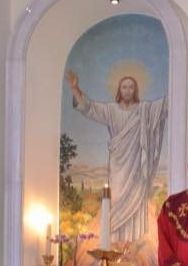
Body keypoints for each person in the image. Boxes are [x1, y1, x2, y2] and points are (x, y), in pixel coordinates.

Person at [63, 70, 167, 244]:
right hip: (118, 163)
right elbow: (89, 108)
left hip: (136, 165)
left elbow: (165, 106)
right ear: (120, 90)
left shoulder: (145, 110)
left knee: (136, 197)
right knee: (117, 199)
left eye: (131, 87)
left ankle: (135, 242)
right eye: (124, 87)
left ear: (135, 90)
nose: (127, 90)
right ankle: (116, 242)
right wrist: (75, 88)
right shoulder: (111, 110)